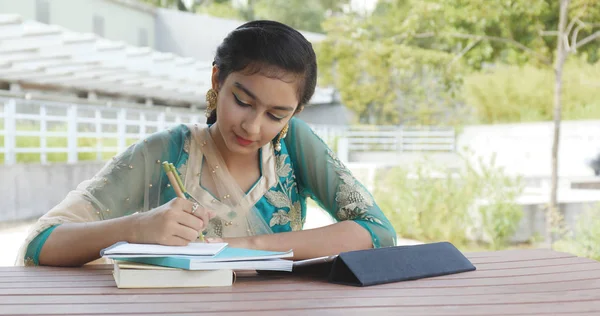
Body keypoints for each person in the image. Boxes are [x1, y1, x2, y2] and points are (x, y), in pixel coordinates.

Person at [16, 20, 397, 267]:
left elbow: (377, 232)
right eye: (243, 101)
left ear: (294, 113)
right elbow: (41, 243)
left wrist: (252, 247)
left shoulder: (293, 145)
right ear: (217, 80)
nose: (253, 125)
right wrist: (136, 228)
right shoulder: (164, 151)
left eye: (276, 114)